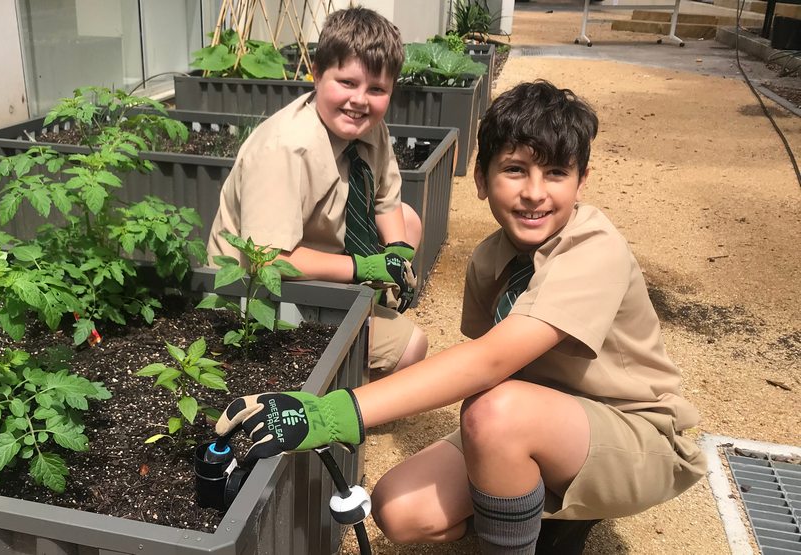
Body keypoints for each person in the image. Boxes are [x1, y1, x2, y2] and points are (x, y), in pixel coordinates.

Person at [214, 80, 707, 554]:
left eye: (556, 173)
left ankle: (546, 516)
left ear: (582, 182)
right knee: (397, 509)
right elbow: (491, 366)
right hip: (538, 413)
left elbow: (488, 362)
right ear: (480, 179)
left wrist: (328, 413)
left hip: (636, 431)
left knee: (497, 413)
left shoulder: (594, 249)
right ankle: (527, 506)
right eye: (515, 170)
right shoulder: (492, 255)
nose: (535, 192)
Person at [205, 7, 428, 376]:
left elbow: (388, 200)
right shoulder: (284, 149)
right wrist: (362, 267)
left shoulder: (370, 128)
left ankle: (362, 312)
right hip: (263, 291)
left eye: (377, 89)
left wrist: (397, 257)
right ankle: (338, 375)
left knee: (408, 223)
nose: (360, 100)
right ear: (317, 74)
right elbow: (268, 261)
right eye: (347, 83)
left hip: (322, 250)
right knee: (412, 346)